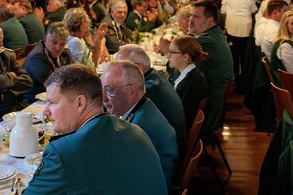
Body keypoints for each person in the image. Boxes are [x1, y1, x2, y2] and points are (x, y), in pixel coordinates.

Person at [24, 65, 167, 195]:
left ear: (80, 103)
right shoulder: (136, 131)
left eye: (52, 103)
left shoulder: (61, 152)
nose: (45, 112)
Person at [101, 61, 178, 188]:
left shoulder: (140, 127)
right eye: (102, 89)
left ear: (131, 91)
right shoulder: (145, 107)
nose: (103, 98)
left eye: (109, 90)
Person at [116, 44, 186, 148]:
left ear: (138, 67)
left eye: (120, 67)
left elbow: (118, 112)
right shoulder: (155, 76)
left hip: (168, 151)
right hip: (171, 143)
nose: (116, 72)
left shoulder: (147, 89)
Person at [188, 0, 234, 134]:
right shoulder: (214, 34)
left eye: (196, 17)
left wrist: (168, 52)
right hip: (212, 98)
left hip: (207, 108)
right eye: (191, 15)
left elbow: (182, 68)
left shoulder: (206, 41)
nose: (191, 20)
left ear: (210, 21)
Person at [23, 23, 74, 103]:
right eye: (54, 42)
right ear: (45, 39)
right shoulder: (37, 57)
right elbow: (54, 84)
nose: (58, 48)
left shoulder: (65, 53)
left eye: (62, 44)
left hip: (55, 97)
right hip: (33, 102)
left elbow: (74, 75)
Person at [168, 35, 210, 128]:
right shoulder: (183, 73)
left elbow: (181, 116)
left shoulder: (192, 82)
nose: (168, 55)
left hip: (180, 129)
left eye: (172, 52)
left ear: (185, 57)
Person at [221, 0, 257, 85]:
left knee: (234, 55)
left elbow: (223, 11)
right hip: (246, 28)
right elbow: (254, 10)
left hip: (232, 28)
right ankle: (245, 79)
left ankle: (235, 79)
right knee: (245, 56)